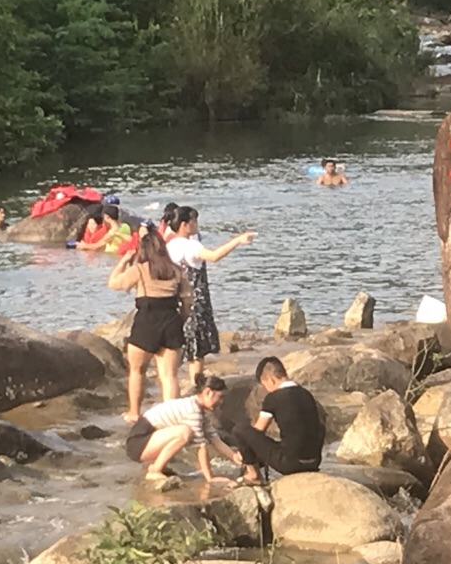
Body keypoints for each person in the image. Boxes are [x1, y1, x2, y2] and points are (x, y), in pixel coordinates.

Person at [166, 206, 256, 391]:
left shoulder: (169, 246)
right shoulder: (190, 246)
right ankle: (195, 386)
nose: (196, 224)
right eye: (194, 221)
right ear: (185, 225)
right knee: (197, 348)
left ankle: (174, 383)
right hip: (195, 300)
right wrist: (237, 241)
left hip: (175, 299)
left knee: (179, 344)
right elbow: (214, 256)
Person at [108, 229, 192, 423]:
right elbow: (188, 302)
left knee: (137, 371)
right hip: (171, 320)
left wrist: (123, 261)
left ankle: (134, 413)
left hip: (146, 321)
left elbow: (113, 283)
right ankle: (171, 417)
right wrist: (181, 320)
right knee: (169, 375)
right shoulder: (177, 271)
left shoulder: (140, 270)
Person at [124, 373, 239, 485]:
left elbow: (215, 439)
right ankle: (155, 470)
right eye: (220, 397)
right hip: (139, 442)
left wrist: (236, 458)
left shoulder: (199, 410)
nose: (221, 402)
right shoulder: (192, 409)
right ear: (208, 392)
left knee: (185, 432)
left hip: (148, 439)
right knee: (185, 432)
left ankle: (157, 466)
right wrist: (209, 478)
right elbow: (201, 447)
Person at [230, 356, 324, 485]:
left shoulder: (274, 397)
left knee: (240, 430)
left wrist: (244, 454)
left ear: (271, 379)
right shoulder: (306, 394)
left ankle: (253, 474)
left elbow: (258, 430)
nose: (267, 390)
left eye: (265, 386)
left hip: (290, 463)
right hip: (314, 461)